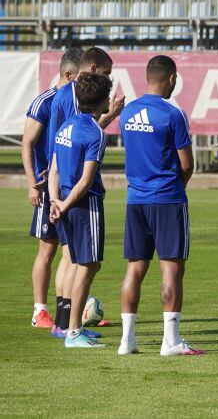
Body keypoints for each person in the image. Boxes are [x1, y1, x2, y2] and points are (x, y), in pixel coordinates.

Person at [117, 55, 202, 356]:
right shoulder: (172, 114)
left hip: (135, 200)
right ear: (170, 78)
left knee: (134, 270)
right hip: (167, 199)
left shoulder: (127, 113)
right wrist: (177, 185)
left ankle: (127, 341)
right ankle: (171, 341)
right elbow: (187, 163)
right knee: (171, 273)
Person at [46, 46, 125, 339]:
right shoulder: (92, 129)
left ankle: (63, 324)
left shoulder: (65, 123)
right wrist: (64, 204)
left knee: (72, 259)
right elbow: (86, 177)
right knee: (86, 263)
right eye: (106, 76)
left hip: (61, 197)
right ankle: (73, 328)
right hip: (80, 201)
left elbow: (55, 164)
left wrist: (55, 201)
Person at [22, 47, 82, 329]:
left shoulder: (75, 101)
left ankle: (70, 311)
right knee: (48, 250)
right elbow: (27, 143)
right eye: (80, 76)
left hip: (68, 185)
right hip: (48, 185)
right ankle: (39, 311)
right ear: (68, 74)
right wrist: (32, 182)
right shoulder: (45, 102)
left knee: (71, 251)